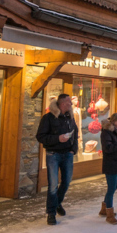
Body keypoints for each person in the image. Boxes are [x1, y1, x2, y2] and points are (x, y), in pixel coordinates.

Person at [36, 94, 78, 225]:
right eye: (67, 103)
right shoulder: (48, 118)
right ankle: (51, 213)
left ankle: (57, 202)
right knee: (53, 185)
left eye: (70, 103)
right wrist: (57, 139)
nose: (70, 105)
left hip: (68, 154)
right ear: (60, 104)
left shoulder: (70, 118)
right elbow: (40, 136)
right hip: (53, 154)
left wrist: (73, 149)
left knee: (66, 182)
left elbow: (75, 133)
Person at [99, 113, 117, 225]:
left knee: (114, 187)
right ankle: (109, 214)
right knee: (111, 189)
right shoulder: (106, 133)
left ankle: (103, 209)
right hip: (110, 164)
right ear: (113, 122)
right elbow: (108, 148)